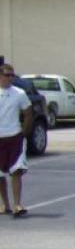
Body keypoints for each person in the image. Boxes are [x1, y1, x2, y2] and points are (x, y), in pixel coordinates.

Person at [0, 64, 32, 217]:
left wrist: (24, 132)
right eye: (7, 75)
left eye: (12, 75)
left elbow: (28, 113)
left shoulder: (19, 93)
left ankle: (17, 204)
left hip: (14, 137)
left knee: (16, 171)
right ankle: (5, 204)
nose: (10, 78)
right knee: (0, 175)